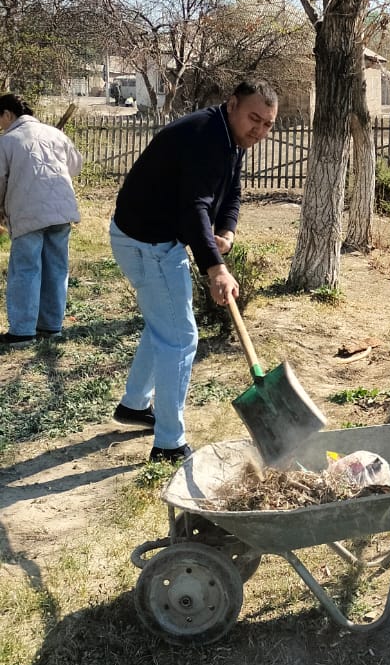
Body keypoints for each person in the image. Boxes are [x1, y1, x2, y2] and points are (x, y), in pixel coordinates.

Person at [109, 78, 278, 463]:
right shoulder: (205, 137)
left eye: (268, 124)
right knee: (180, 338)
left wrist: (227, 232)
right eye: (254, 118)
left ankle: (134, 405)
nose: (260, 130)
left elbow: (231, 191)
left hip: (151, 238)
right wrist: (215, 269)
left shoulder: (231, 139)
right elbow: (193, 207)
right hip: (147, 242)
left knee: (163, 325)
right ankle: (170, 444)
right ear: (232, 103)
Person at [0, 93, 82, 347]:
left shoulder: (7, 141)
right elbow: (75, 165)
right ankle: (50, 326)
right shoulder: (55, 134)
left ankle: (23, 332)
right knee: (57, 269)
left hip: (28, 213)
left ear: (7, 114)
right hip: (61, 210)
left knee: (26, 269)